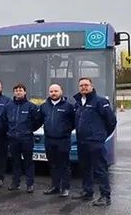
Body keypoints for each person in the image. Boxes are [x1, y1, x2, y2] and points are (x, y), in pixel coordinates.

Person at [71, 77, 117, 206]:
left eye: (86, 85)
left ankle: (105, 196)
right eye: (81, 85)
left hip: (95, 142)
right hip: (82, 142)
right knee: (85, 168)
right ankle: (87, 191)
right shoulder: (78, 103)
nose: (83, 87)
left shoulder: (100, 102)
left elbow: (111, 121)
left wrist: (101, 136)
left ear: (92, 86)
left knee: (100, 169)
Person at [38, 84, 75, 197]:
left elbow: (74, 122)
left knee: (64, 164)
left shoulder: (68, 106)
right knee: (53, 164)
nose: (53, 93)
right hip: (49, 140)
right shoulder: (44, 106)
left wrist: (66, 130)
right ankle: (55, 186)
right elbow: (39, 120)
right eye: (51, 91)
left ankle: (65, 188)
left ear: (61, 92)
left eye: (56, 91)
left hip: (63, 140)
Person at [5, 83, 41, 193]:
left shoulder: (31, 106)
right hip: (13, 138)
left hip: (26, 138)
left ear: (25, 92)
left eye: (21, 90)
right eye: (16, 90)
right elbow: (4, 120)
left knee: (28, 162)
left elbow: (37, 121)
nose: (18, 92)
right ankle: (15, 183)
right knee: (15, 162)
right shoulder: (9, 106)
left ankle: (30, 184)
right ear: (14, 93)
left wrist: (30, 130)